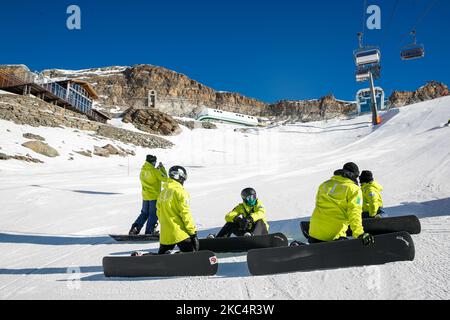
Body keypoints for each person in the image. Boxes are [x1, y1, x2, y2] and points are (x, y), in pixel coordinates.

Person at [308, 162, 374, 246]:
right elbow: (354, 212)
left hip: (314, 231)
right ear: (355, 175)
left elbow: (319, 205)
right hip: (333, 235)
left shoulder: (324, 184)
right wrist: (359, 233)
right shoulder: (353, 189)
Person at [155, 166, 199, 254]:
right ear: (180, 177)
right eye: (183, 178)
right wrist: (192, 232)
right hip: (179, 233)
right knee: (192, 255)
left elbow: (159, 213)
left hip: (165, 234)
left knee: (160, 259)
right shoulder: (181, 192)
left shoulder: (162, 193)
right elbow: (185, 213)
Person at [129, 155, 167, 236]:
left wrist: (157, 170)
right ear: (153, 162)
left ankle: (135, 228)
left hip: (145, 196)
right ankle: (150, 231)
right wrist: (162, 168)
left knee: (144, 213)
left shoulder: (143, 170)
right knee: (153, 214)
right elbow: (165, 179)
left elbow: (151, 176)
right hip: (154, 196)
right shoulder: (155, 171)